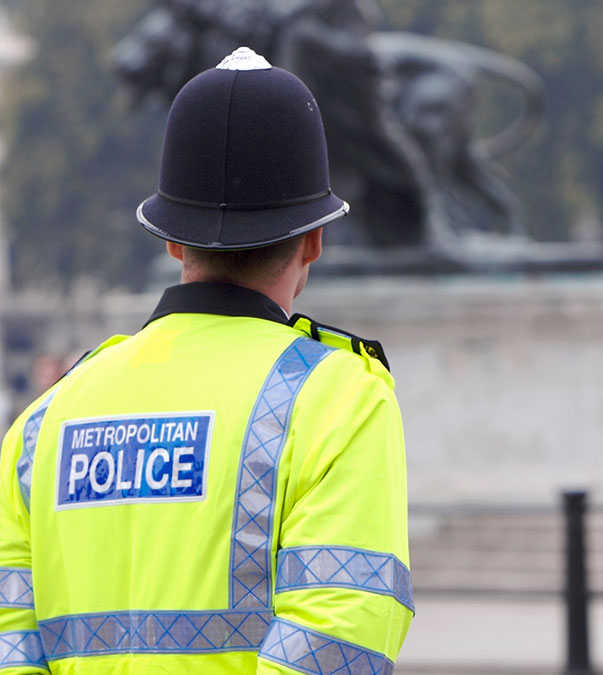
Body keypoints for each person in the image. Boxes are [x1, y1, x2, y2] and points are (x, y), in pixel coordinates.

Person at [0, 47, 413, 673]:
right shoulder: (337, 397)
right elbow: (337, 636)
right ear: (314, 240)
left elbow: (12, 642)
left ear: (172, 240)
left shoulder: (47, 418)